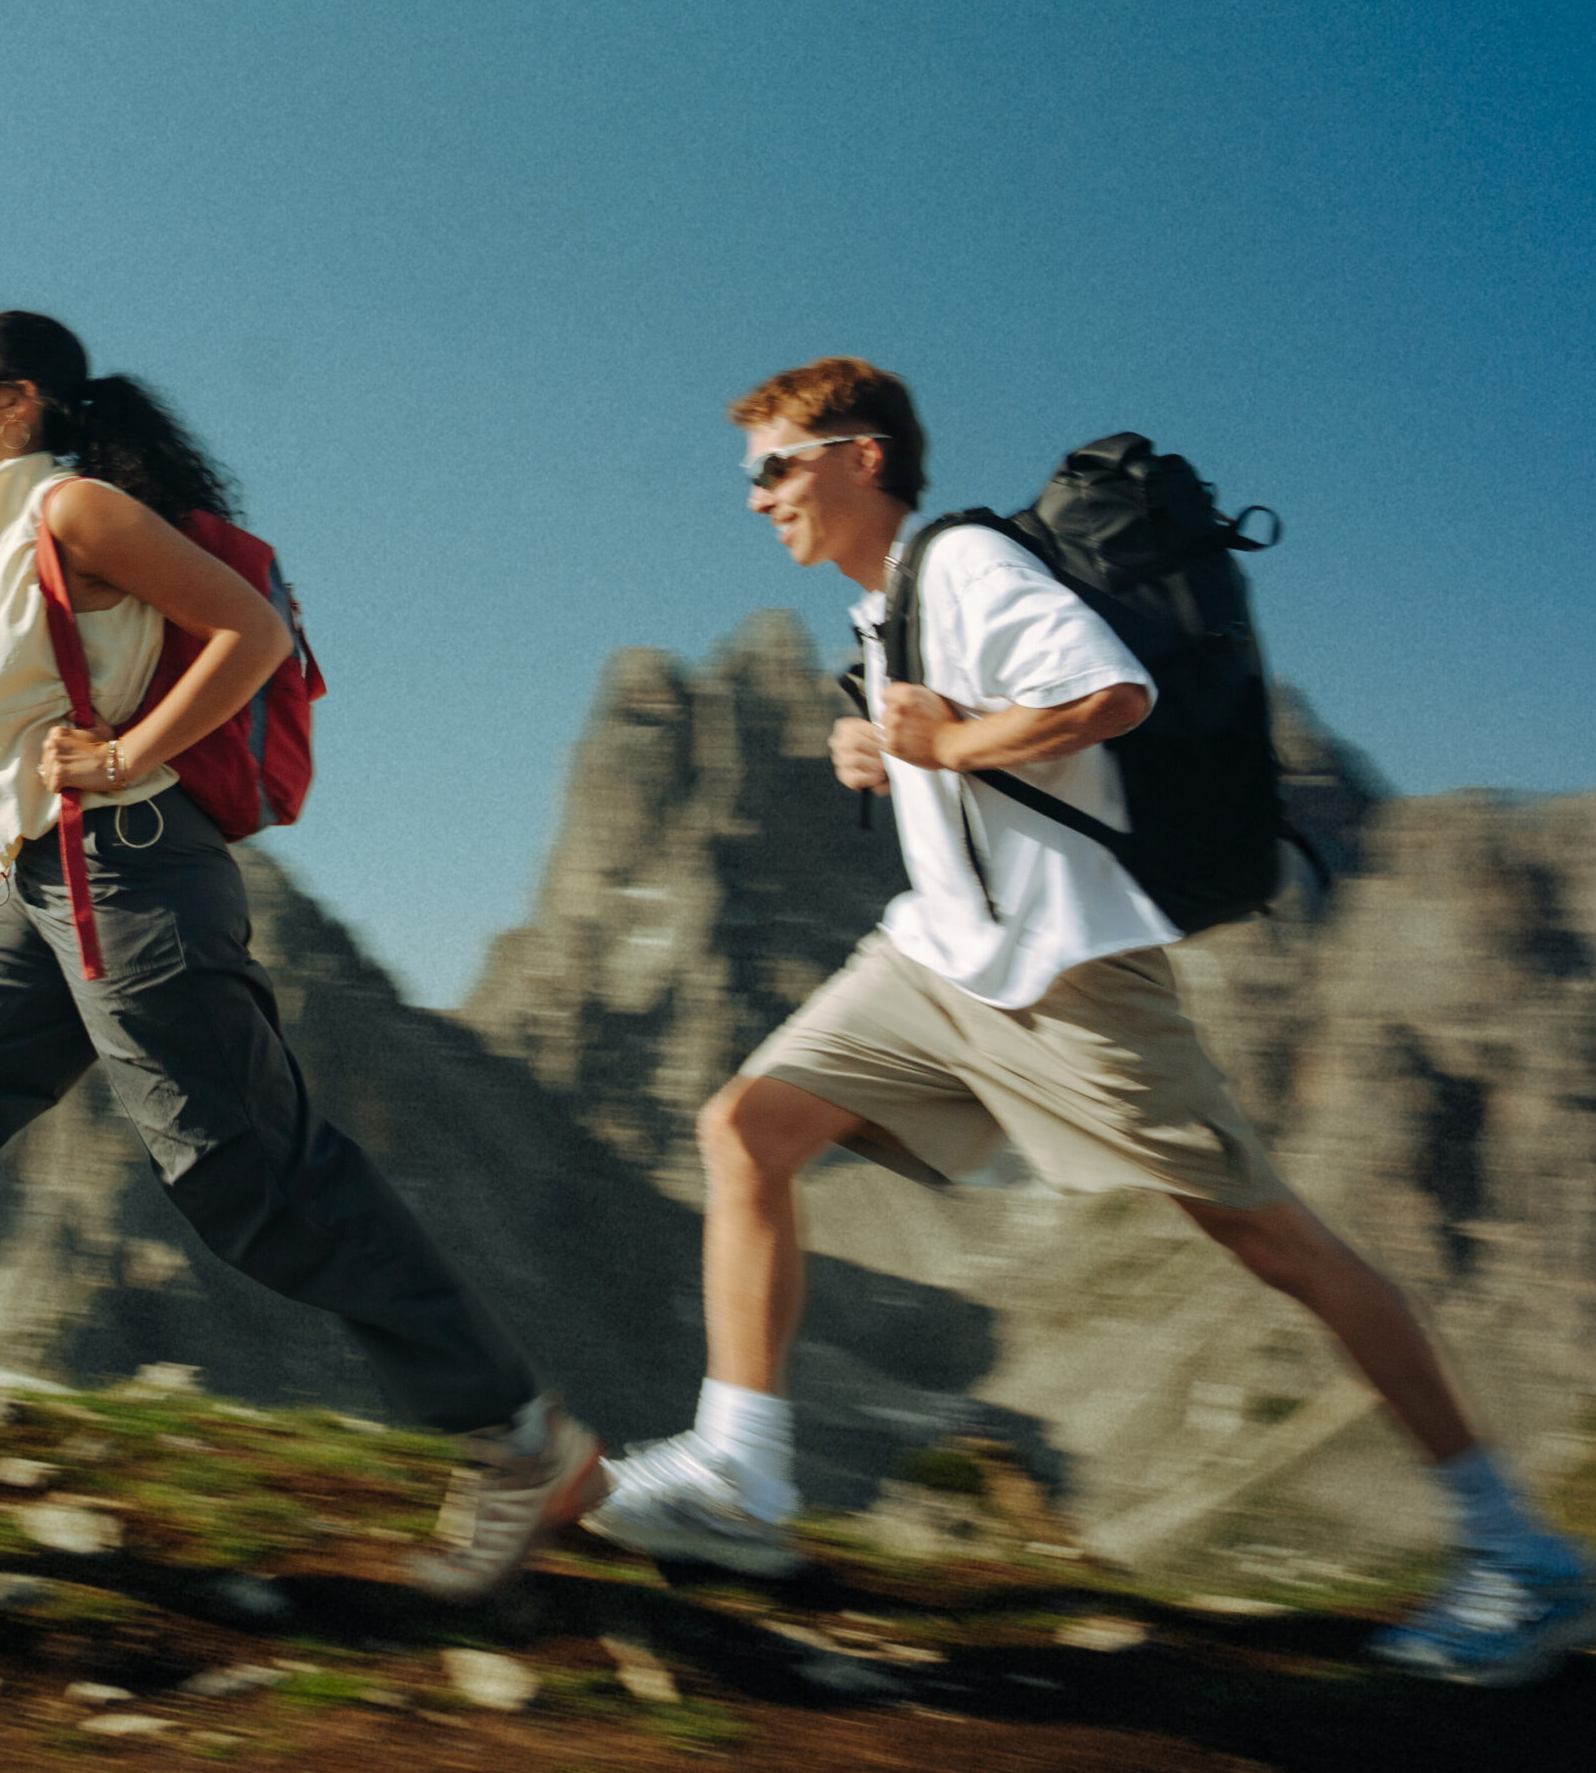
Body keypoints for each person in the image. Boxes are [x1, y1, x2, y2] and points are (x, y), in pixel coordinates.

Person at [587, 355, 1594, 1686]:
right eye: (749, 475)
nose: (756, 495)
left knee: (1270, 1240)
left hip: (1068, 978)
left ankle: (1512, 1553)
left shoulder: (960, 567)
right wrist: (883, 750)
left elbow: (1111, 694)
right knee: (745, 1131)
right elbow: (958, 744)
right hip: (940, 964)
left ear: (862, 456)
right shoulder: (878, 613)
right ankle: (739, 1475)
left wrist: (938, 747)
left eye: (776, 465)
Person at [0, 311, 598, 1597]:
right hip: (43, 891)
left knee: (250, 1179)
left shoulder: (75, 510)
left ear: (20, 398)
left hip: (130, 870)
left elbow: (251, 633)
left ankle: (523, 1442)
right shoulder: (16, 534)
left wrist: (122, 752)